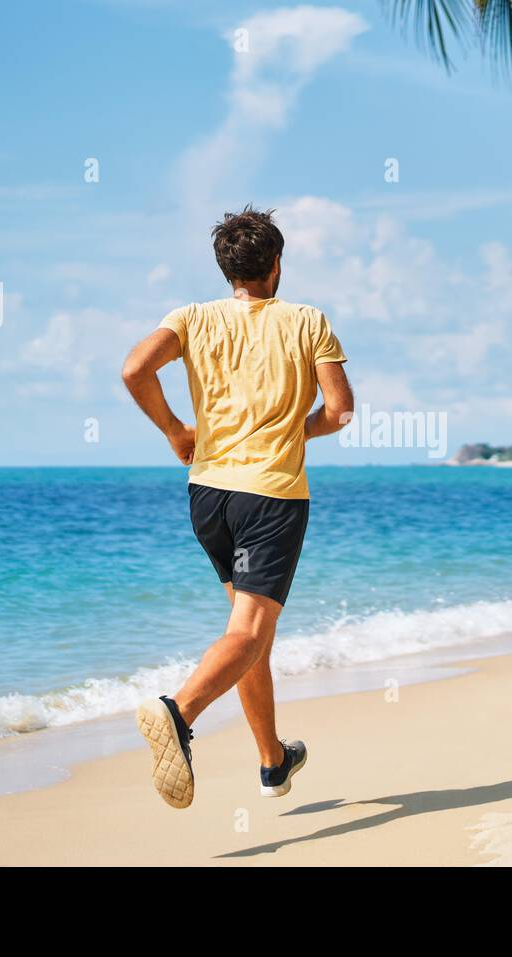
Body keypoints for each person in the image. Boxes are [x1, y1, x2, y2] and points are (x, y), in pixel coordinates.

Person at [121, 206, 353, 809]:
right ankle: (179, 710)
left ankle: (273, 761)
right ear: (276, 264)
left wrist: (175, 430)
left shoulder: (192, 318)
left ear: (227, 268)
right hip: (271, 494)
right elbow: (339, 410)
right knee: (251, 630)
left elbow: (134, 368)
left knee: (249, 633)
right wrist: (292, 432)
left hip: (207, 496)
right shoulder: (307, 321)